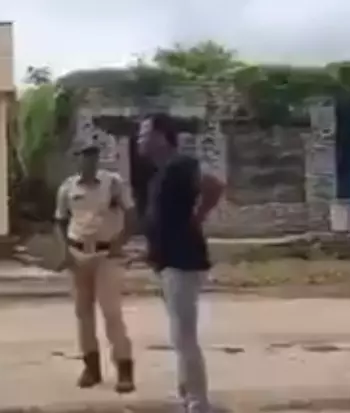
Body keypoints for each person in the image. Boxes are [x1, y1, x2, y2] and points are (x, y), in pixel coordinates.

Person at [138, 113, 224, 413]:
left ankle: (198, 402)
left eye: (144, 134)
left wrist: (197, 218)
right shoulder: (161, 173)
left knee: (184, 335)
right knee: (178, 334)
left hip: (183, 260)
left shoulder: (181, 165)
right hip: (168, 261)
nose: (139, 140)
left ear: (162, 137)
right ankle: (188, 395)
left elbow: (213, 185)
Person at [54, 139, 136, 393]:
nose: (88, 160)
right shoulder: (68, 187)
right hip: (78, 253)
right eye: (83, 155)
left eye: (92, 155)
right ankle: (91, 367)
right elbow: (60, 221)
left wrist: (120, 242)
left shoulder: (113, 183)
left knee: (111, 312)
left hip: (106, 254)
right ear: (76, 158)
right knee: (83, 313)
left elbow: (131, 214)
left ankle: (124, 369)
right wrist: (64, 251)